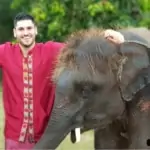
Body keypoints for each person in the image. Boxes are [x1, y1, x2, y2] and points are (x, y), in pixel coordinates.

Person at [0, 12, 124, 150]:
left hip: (43, 136)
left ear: (35, 30)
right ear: (15, 32)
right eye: (21, 29)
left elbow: (81, 47)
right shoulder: (5, 52)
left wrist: (105, 34)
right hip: (14, 138)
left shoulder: (50, 50)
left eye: (29, 28)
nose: (26, 33)